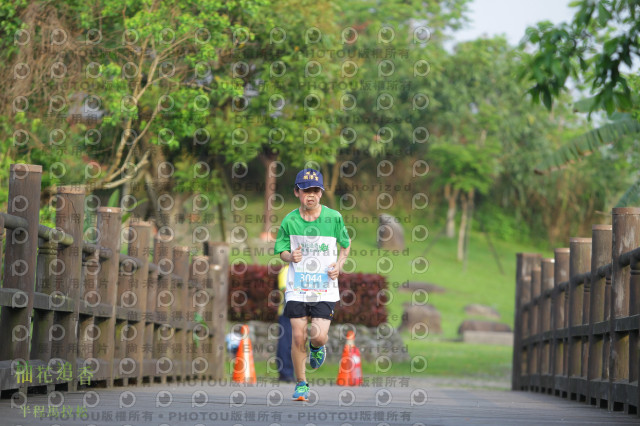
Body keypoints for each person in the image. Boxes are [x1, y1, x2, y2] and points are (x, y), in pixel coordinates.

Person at [274, 168, 351, 401]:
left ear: (321, 192)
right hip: (297, 286)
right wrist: (290, 257)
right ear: (297, 192)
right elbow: (281, 251)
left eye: (316, 190)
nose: (311, 195)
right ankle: (301, 384)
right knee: (298, 336)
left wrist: (339, 264)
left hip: (324, 286)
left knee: (317, 335)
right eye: (306, 190)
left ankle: (317, 348)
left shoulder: (334, 217)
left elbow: (345, 245)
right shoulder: (289, 220)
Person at [275, 264, 295, 382]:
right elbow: (285, 289)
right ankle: (285, 373)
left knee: (295, 343)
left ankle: (291, 372)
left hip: (298, 312)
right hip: (286, 312)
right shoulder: (286, 270)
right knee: (285, 342)